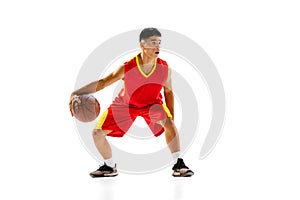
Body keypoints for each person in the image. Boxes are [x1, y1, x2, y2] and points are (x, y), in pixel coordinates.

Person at [69, 28, 194, 177]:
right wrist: (76, 93)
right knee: (97, 133)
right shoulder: (127, 67)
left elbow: (168, 92)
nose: (157, 47)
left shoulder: (164, 68)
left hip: (152, 104)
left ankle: (178, 164)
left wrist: (170, 118)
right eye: (153, 43)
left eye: (159, 43)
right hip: (126, 105)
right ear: (142, 45)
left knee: (169, 124)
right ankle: (109, 166)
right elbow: (103, 83)